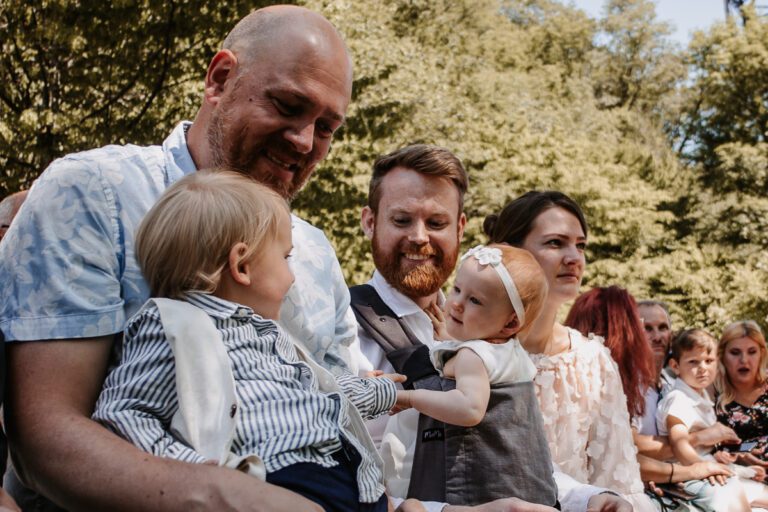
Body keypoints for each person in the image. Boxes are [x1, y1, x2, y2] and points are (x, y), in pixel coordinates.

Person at [0, 5, 358, 511]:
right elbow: (45, 440)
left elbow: (341, 426)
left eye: (325, 128)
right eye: (287, 105)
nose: (303, 141)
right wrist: (235, 498)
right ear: (220, 78)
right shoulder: (93, 193)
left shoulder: (316, 253)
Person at [93, 170, 398, 511]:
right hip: (282, 480)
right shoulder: (171, 325)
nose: (292, 276)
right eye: (285, 258)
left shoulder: (268, 332)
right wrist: (198, 473)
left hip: (348, 477)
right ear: (242, 266)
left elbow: (321, 389)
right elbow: (122, 414)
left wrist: (386, 393)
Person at [352, 145, 632, 512]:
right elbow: (335, 480)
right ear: (370, 222)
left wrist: (586, 498)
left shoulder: (488, 332)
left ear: (460, 228)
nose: (420, 237)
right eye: (402, 220)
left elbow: (510, 453)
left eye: (436, 223)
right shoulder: (344, 329)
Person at [485, 191, 652, 511]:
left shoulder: (592, 361)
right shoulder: (470, 352)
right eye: (555, 243)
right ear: (510, 253)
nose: (574, 257)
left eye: (580, 245)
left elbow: (618, 481)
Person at [385, 244, 550, 501]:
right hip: (526, 484)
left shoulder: (471, 356)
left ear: (510, 323)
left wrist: (409, 398)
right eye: (457, 289)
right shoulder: (512, 351)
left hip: (482, 488)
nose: (457, 303)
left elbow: (469, 408)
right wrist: (453, 340)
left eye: (475, 300)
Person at [566, 287, 732, 506]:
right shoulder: (621, 382)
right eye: (646, 328)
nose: (657, 336)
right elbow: (624, 446)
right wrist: (699, 440)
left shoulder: (674, 383)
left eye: (663, 328)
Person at [656, 328, 768, 510]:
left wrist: (728, 459)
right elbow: (679, 444)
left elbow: (703, 447)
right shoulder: (678, 399)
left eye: (708, 361)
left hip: (709, 467)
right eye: (693, 362)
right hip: (690, 475)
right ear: (675, 366)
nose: (703, 368)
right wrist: (705, 467)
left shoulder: (700, 396)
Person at [716, 321, 768, 464]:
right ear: (722, 355)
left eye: (752, 352)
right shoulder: (711, 392)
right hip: (738, 473)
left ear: (761, 354)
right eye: (735, 353)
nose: (744, 360)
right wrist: (742, 453)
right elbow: (710, 447)